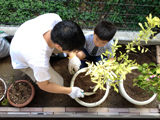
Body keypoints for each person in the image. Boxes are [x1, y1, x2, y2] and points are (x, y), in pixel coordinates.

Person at [10, 13, 85, 99]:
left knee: (79, 54)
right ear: (58, 47)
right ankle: (36, 75)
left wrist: (72, 55)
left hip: (24, 38)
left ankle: (62, 53)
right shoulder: (39, 60)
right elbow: (44, 85)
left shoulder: (54, 19)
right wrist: (70, 91)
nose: (75, 52)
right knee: (59, 83)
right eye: (73, 51)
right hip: (22, 61)